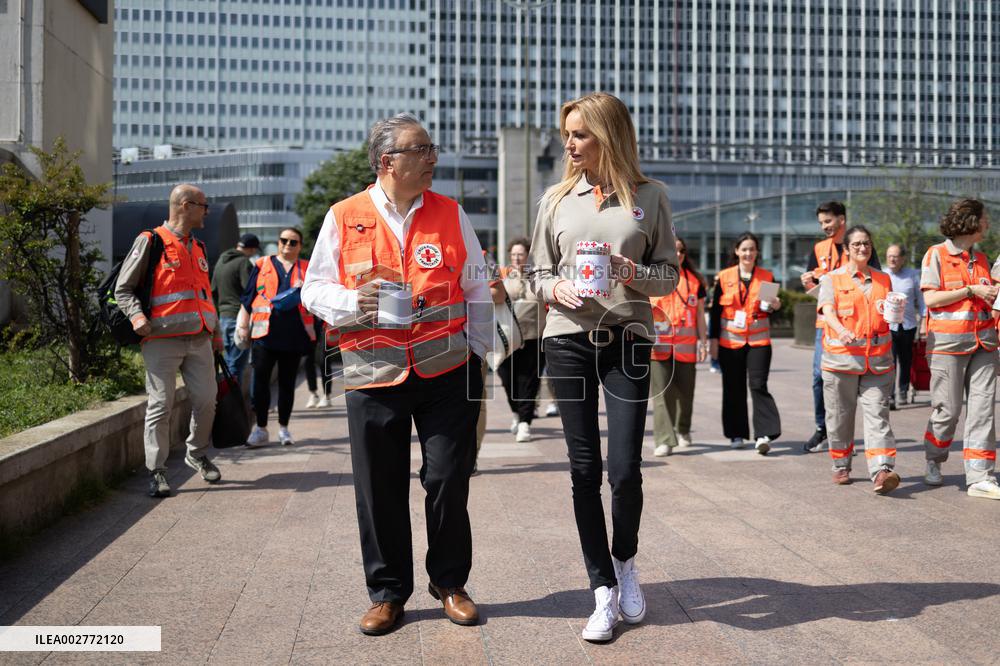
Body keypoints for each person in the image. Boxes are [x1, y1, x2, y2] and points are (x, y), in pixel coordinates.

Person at [301, 113, 493, 635]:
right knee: (378, 486)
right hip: (372, 370)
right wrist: (350, 301)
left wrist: (478, 356)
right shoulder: (344, 215)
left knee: (448, 478)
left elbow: (476, 286)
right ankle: (387, 593)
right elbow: (313, 288)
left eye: (431, 148)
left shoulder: (451, 213)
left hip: (447, 370)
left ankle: (449, 582)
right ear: (388, 161)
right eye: (421, 149)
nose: (433, 158)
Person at [529, 92, 678, 643]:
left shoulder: (651, 196)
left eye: (580, 134)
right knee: (583, 469)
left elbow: (669, 276)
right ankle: (602, 590)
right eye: (567, 134)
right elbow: (536, 273)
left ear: (608, 136)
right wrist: (556, 288)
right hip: (567, 339)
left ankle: (626, 563)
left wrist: (630, 271)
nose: (569, 144)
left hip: (628, 339)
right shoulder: (556, 199)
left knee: (625, 469)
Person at [115, 184, 223, 498]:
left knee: (207, 401)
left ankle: (196, 453)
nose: (207, 212)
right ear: (186, 206)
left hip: (199, 338)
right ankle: (157, 470)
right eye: (204, 206)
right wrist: (137, 317)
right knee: (160, 405)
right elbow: (123, 288)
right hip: (161, 339)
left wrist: (216, 332)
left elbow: (204, 294)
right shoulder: (150, 240)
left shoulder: (199, 247)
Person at [921, 198, 1000, 500]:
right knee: (948, 412)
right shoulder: (936, 255)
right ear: (971, 221)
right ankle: (934, 458)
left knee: (982, 411)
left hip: (984, 344)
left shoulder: (981, 259)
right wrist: (970, 289)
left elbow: (988, 300)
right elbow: (930, 299)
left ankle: (980, 476)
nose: (988, 223)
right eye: (985, 218)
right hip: (947, 346)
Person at [817, 225, 900, 494]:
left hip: (877, 362)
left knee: (878, 414)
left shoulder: (883, 279)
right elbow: (827, 311)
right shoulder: (832, 279)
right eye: (856, 244)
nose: (863, 248)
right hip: (841, 361)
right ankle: (841, 464)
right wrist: (841, 330)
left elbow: (887, 313)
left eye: (866, 243)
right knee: (840, 417)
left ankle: (882, 470)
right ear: (846, 249)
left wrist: (895, 314)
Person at [800, 202, 882, 452]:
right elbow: (814, 288)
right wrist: (808, 282)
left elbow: (876, 281)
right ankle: (822, 429)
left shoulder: (860, 245)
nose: (824, 226)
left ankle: (846, 435)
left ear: (841, 220)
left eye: (828, 221)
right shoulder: (819, 249)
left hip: (857, 325)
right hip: (826, 323)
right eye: (821, 223)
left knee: (852, 380)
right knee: (819, 377)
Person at [236, 227, 315, 447]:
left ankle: (283, 428)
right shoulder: (262, 264)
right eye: (284, 240)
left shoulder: (307, 268)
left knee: (287, 384)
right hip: (264, 334)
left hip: (294, 335)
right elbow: (248, 298)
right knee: (260, 383)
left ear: (300, 246)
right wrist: (242, 325)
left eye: (293, 242)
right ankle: (260, 428)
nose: (287, 245)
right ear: (278, 242)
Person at [709, 232, 781, 454]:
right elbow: (715, 312)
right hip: (730, 342)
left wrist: (775, 305)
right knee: (733, 387)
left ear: (757, 252)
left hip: (759, 342)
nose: (748, 253)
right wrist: (712, 341)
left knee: (758, 385)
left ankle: (764, 435)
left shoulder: (767, 277)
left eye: (752, 249)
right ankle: (736, 433)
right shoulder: (724, 277)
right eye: (744, 249)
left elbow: (770, 310)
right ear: (737, 251)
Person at [649, 237, 708, 457]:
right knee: (661, 395)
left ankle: (683, 429)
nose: (678, 255)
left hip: (686, 347)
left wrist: (703, 342)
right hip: (658, 346)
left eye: (682, 251)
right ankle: (664, 439)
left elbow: (700, 314)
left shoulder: (695, 281)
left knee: (685, 394)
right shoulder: (651, 277)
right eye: (674, 250)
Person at [497, 237, 546, 443]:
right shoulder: (503, 277)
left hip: (534, 337)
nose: (517, 258)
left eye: (521, 254)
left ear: (528, 255)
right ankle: (517, 412)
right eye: (514, 254)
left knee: (529, 381)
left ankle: (525, 422)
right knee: (507, 379)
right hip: (508, 338)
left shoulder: (539, 277)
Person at [212, 233, 260, 384]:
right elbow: (250, 291)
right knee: (236, 366)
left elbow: (213, 290)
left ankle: (227, 396)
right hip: (238, 320)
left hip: (222, 318)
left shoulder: (221, 261)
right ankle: (232, 398)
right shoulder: (244, 263)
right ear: (251, 249)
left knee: (228, 361)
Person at [884, 243, 926, 409]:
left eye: (895, 256)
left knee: (906, 360)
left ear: (903, 259)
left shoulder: (912, 275)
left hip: (908, 325)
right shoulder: (882, 274)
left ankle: (903, 390)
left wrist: (924, 322)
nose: (892, 259)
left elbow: (921, 301)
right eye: (889, 256)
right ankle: (890, 395)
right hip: (888, 326)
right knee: (890, 361)